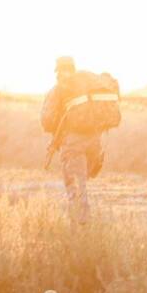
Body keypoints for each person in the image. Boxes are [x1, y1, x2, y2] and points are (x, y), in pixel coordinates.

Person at [40, 55, 105, 222]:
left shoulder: (59, 89)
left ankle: (80, 231)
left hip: (74, 145)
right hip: (95, 142)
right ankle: (83, 225)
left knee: (75, 188)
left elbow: (47, 121)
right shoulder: (88, 87)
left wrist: (58, 136)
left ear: (58, 71)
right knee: (83, 182)